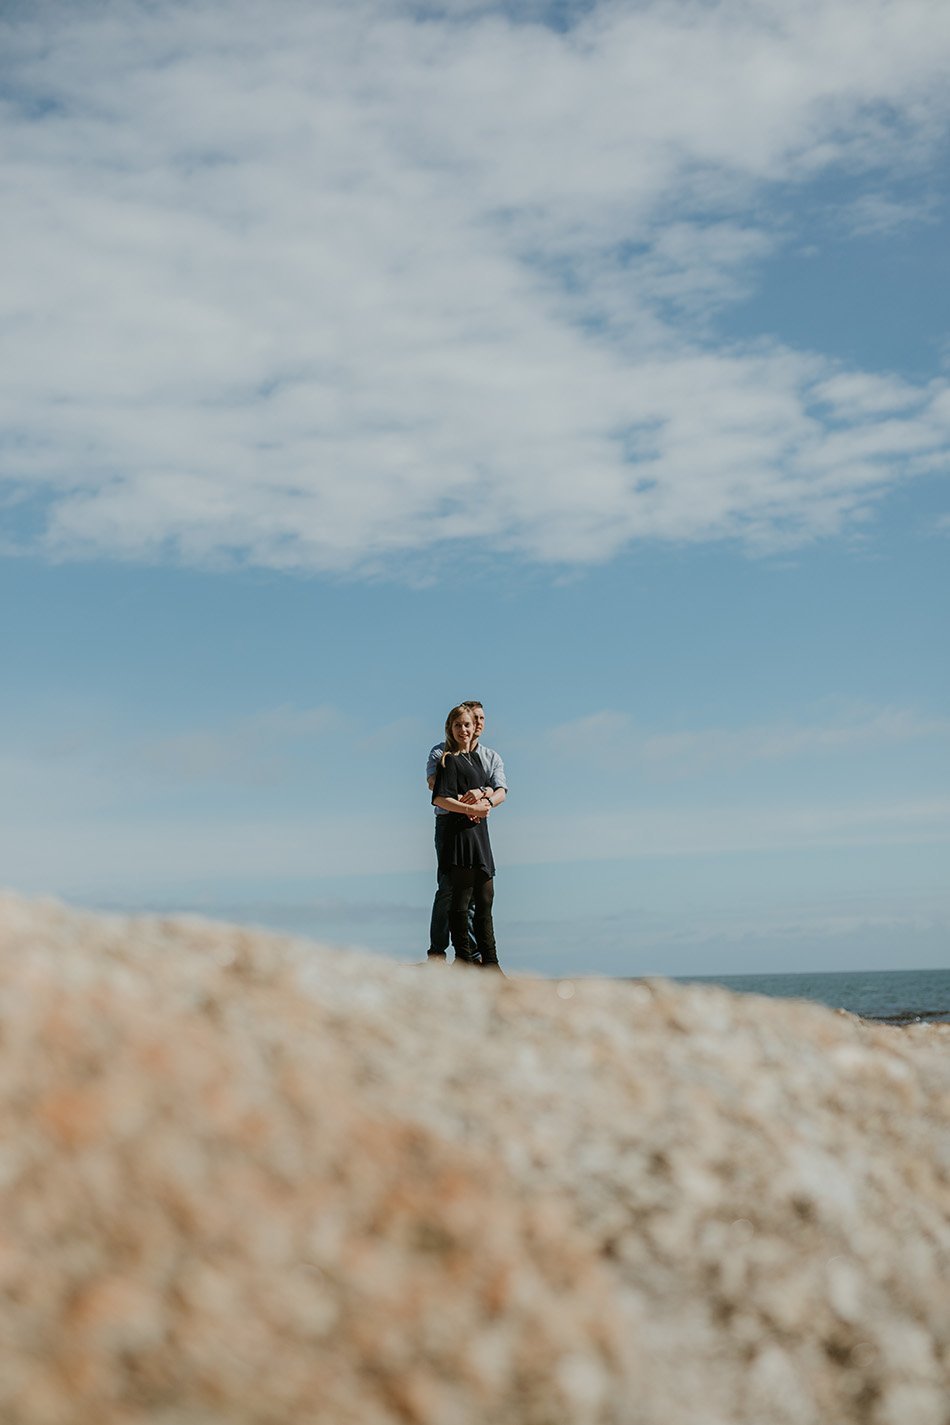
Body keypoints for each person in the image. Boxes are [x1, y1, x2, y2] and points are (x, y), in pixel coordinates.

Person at [426, 700, 507, 961]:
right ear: (451, 727)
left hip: (477, 827)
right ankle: (438, 953)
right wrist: (468, 805)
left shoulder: (489, 757)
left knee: (479, 895)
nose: (473, 725)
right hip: (449, 825)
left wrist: (484, 797)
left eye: (477, 720)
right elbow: (436, 786)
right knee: (448, 890)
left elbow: (500, 790)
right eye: (461, 723)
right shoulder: (442, 754)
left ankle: (475, 956)